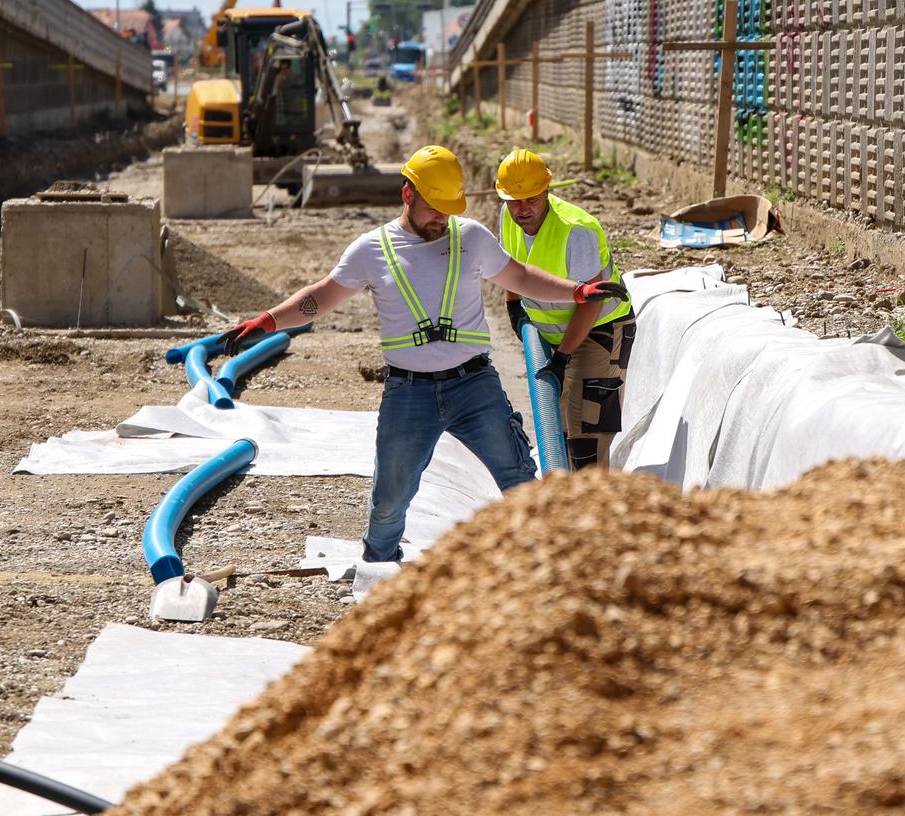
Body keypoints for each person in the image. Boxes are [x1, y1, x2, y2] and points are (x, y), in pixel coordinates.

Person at [221, 144, 628, 562]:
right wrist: (268, 320)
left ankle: (549, 566)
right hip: (409, 394)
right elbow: (322, 297)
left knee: (519, 478)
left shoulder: (470, 237)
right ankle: (380, 565)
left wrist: (576, 292)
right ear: (408, 194)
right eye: (434, 208)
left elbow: (520, 277)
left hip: (474, 386)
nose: (441, 218)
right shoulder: (371, 250)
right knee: (389, 500)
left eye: (448, 209)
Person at [494, 148, 637, 472]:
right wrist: (513, 305)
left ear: (546, 190)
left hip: (600, 328)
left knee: (586, 436)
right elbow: (511, 265)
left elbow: (592, 302)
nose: (522, 208)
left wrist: (562, 358)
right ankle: (564, 495)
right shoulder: (508, 215)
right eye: (514, 200)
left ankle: (592, 498)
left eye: (531, 199)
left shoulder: (576, 230)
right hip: (554, 333)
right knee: (557, 430)